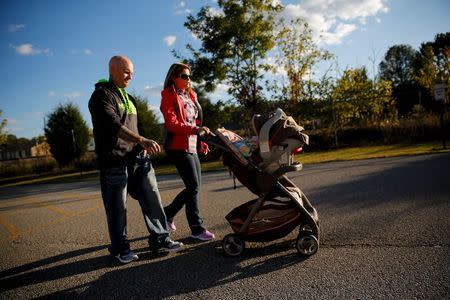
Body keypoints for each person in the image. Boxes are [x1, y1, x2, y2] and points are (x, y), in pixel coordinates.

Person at [88, 55, 183, 264]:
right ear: (112, 70)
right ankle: (121, 249)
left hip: (138, 159)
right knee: (117, 208)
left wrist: (142, 144)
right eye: (125, 72)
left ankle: (161, 239)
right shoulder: (101, 96)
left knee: (153, 199)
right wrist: (142, 139)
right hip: (115, 162)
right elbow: (114, 126)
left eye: (132, 73)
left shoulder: (129, 98)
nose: (130, 76)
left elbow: (135, 128)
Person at [160, 62, 215, 241]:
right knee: (193, 186)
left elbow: (195, 122)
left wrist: (199, 141)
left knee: (195, 187)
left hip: (191, 145)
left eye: (189, 76)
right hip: (177, 146)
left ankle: (168, 214)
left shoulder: (191, 95)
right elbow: (172, 123)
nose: (188, 79)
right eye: (184, 76)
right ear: (174, 78)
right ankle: (197, 228)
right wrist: (194, 131)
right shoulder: (168, 95)